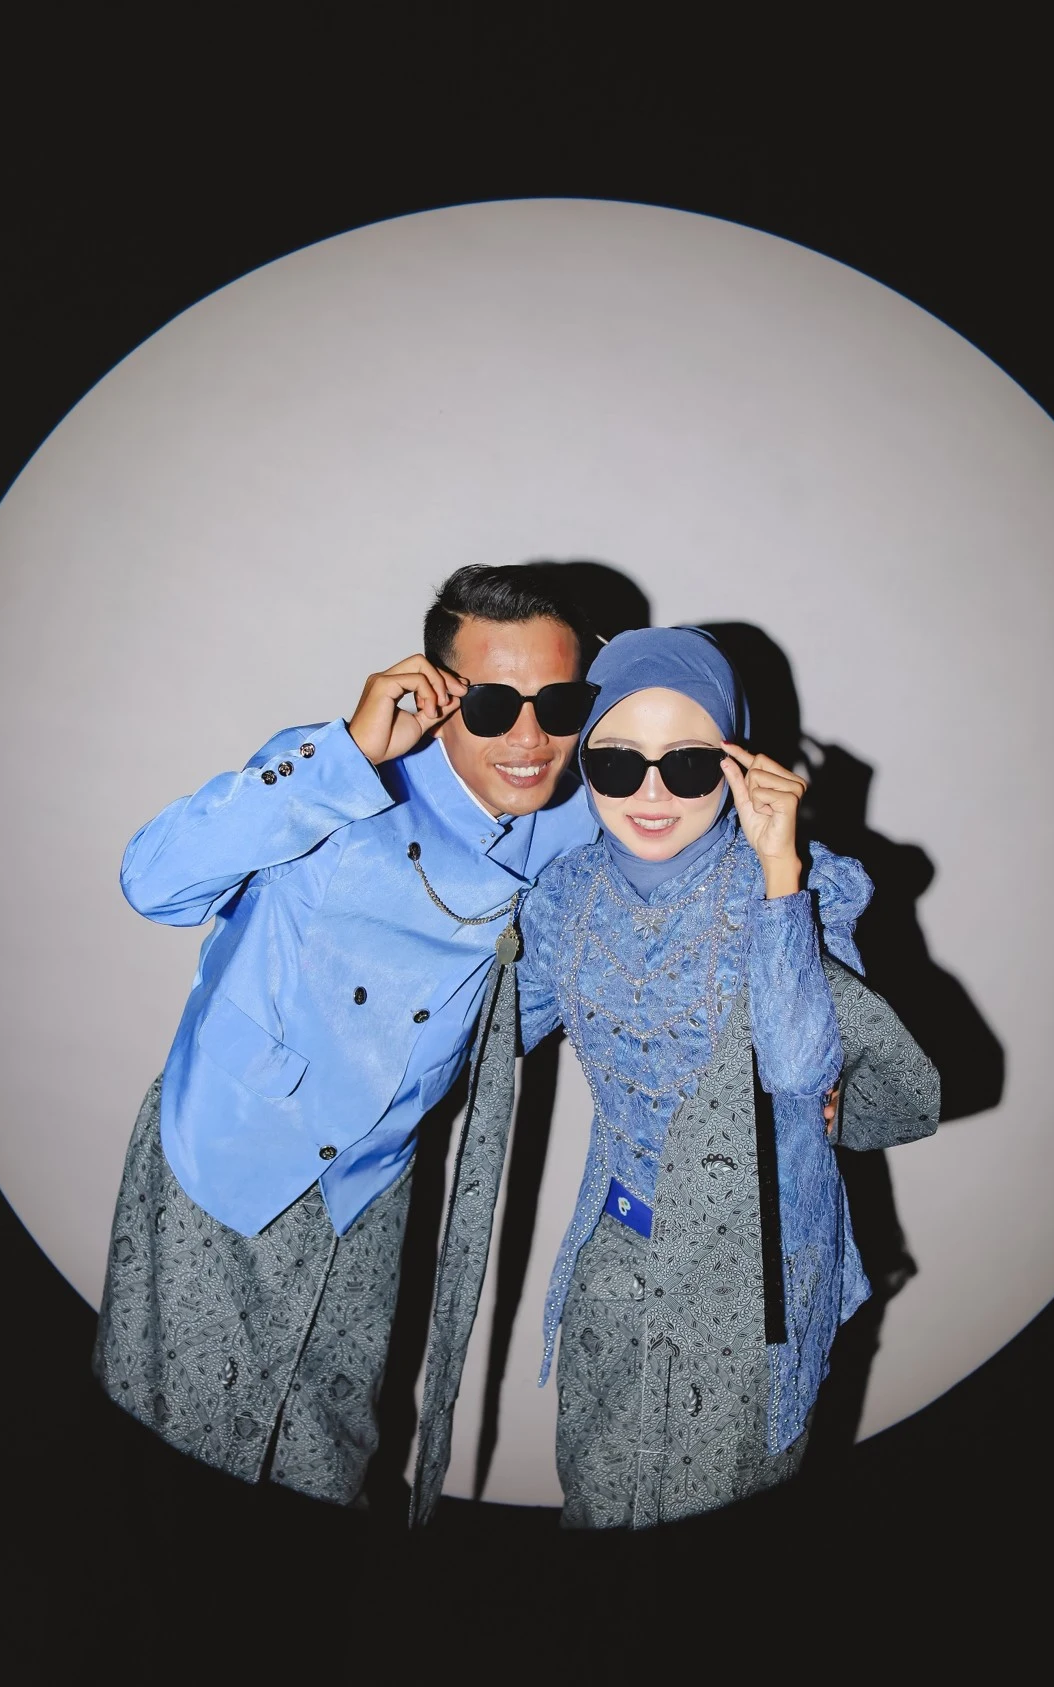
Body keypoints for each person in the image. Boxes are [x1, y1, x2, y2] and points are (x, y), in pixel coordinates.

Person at [92, 563, 603, 1506]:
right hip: (225, 1157)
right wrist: (343, 756)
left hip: (368, 1190)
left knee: (324, 1466)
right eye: (495, 704)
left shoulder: (581, 824)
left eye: (560, 703)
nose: (530, 738)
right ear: (440, 693)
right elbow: (153, 884)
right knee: (167, 1459)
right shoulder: (341, 770)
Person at [411, 625, 939, 1529]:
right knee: (596, 1523)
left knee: (717, 1562)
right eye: (617, 764)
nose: (650, 794)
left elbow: (798, 1069)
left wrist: (779, 873)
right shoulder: (566, 894)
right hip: (615, 1258)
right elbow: (484, 1037)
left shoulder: (802, 889)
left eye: (688, 766)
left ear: (735, 763)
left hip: (754, 1278)